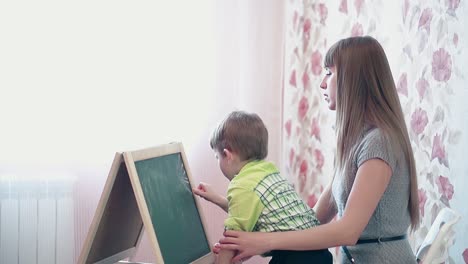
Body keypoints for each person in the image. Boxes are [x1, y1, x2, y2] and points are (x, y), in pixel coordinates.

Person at [217, 36, 420, 263]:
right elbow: (312, 220)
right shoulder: (356, 143)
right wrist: (254, 237)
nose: (322, 83)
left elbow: (347, 231)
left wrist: (267, 241)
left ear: (354, 80)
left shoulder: (379, 142)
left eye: (329, 73)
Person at [193, 110, 333, 264]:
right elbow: (250, 211)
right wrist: (217, 199)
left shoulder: (241, 185)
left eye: (217, 157)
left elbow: (233, 236)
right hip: (318, 252)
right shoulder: (267, 171)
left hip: (296, 259)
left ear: (227, 155)